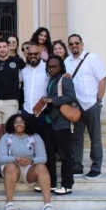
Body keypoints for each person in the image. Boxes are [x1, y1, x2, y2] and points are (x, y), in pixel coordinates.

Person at [64, 34, 106, 180]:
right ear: (69, 46)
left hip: (91, 104)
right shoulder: (67, 61)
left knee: (95, 137)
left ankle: (96, 167)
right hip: (76, 106)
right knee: (76, 137)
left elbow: (102, 78)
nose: (74, 46)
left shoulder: (92, 58)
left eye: (77, 43)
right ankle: (77, 165)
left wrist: (98, 100)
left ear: (82, 44)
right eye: (71, 44)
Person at [0, 114, 54, 210]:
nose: (19, 124)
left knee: (42, 167)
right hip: (13, 170)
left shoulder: (35, 137)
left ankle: (47, 204)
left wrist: (31, 161)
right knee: (10, 166)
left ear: (26, 123)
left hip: (29, 170)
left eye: (22, 122)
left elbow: (43, 158)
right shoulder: (6, 137)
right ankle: (9, 203)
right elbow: (0, 158)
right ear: (12, 124)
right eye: (16, 122)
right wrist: (14, 159)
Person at [41, 55, 75, 195]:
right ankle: (52, 184)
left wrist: (51, 100)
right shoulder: (52, 79)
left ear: (61, 67)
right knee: (49, 154)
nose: (51, 69)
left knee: (65, 155)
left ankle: (67, 185)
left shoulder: (65, 80)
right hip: (50, 122)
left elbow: (71, 96)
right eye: (49, 66)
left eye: (55, 66)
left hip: (62, 122)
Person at [0, 38, 26, 144]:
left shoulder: (17, 61)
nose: (2, 49)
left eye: (4, 47)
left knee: (9, 131)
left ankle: (9, 155)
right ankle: (0, 155)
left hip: (11, 101)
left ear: (9, 47)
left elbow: (27, 74)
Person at [21, 45, 49, 136]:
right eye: (30, 54)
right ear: (27, 55)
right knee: (27, 137)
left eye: (35, 53)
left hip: (42, 109)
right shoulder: (24, 70)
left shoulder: (47, 68)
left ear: (40, 54)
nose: (33, 56)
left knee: (41, 137)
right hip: (27, 109)